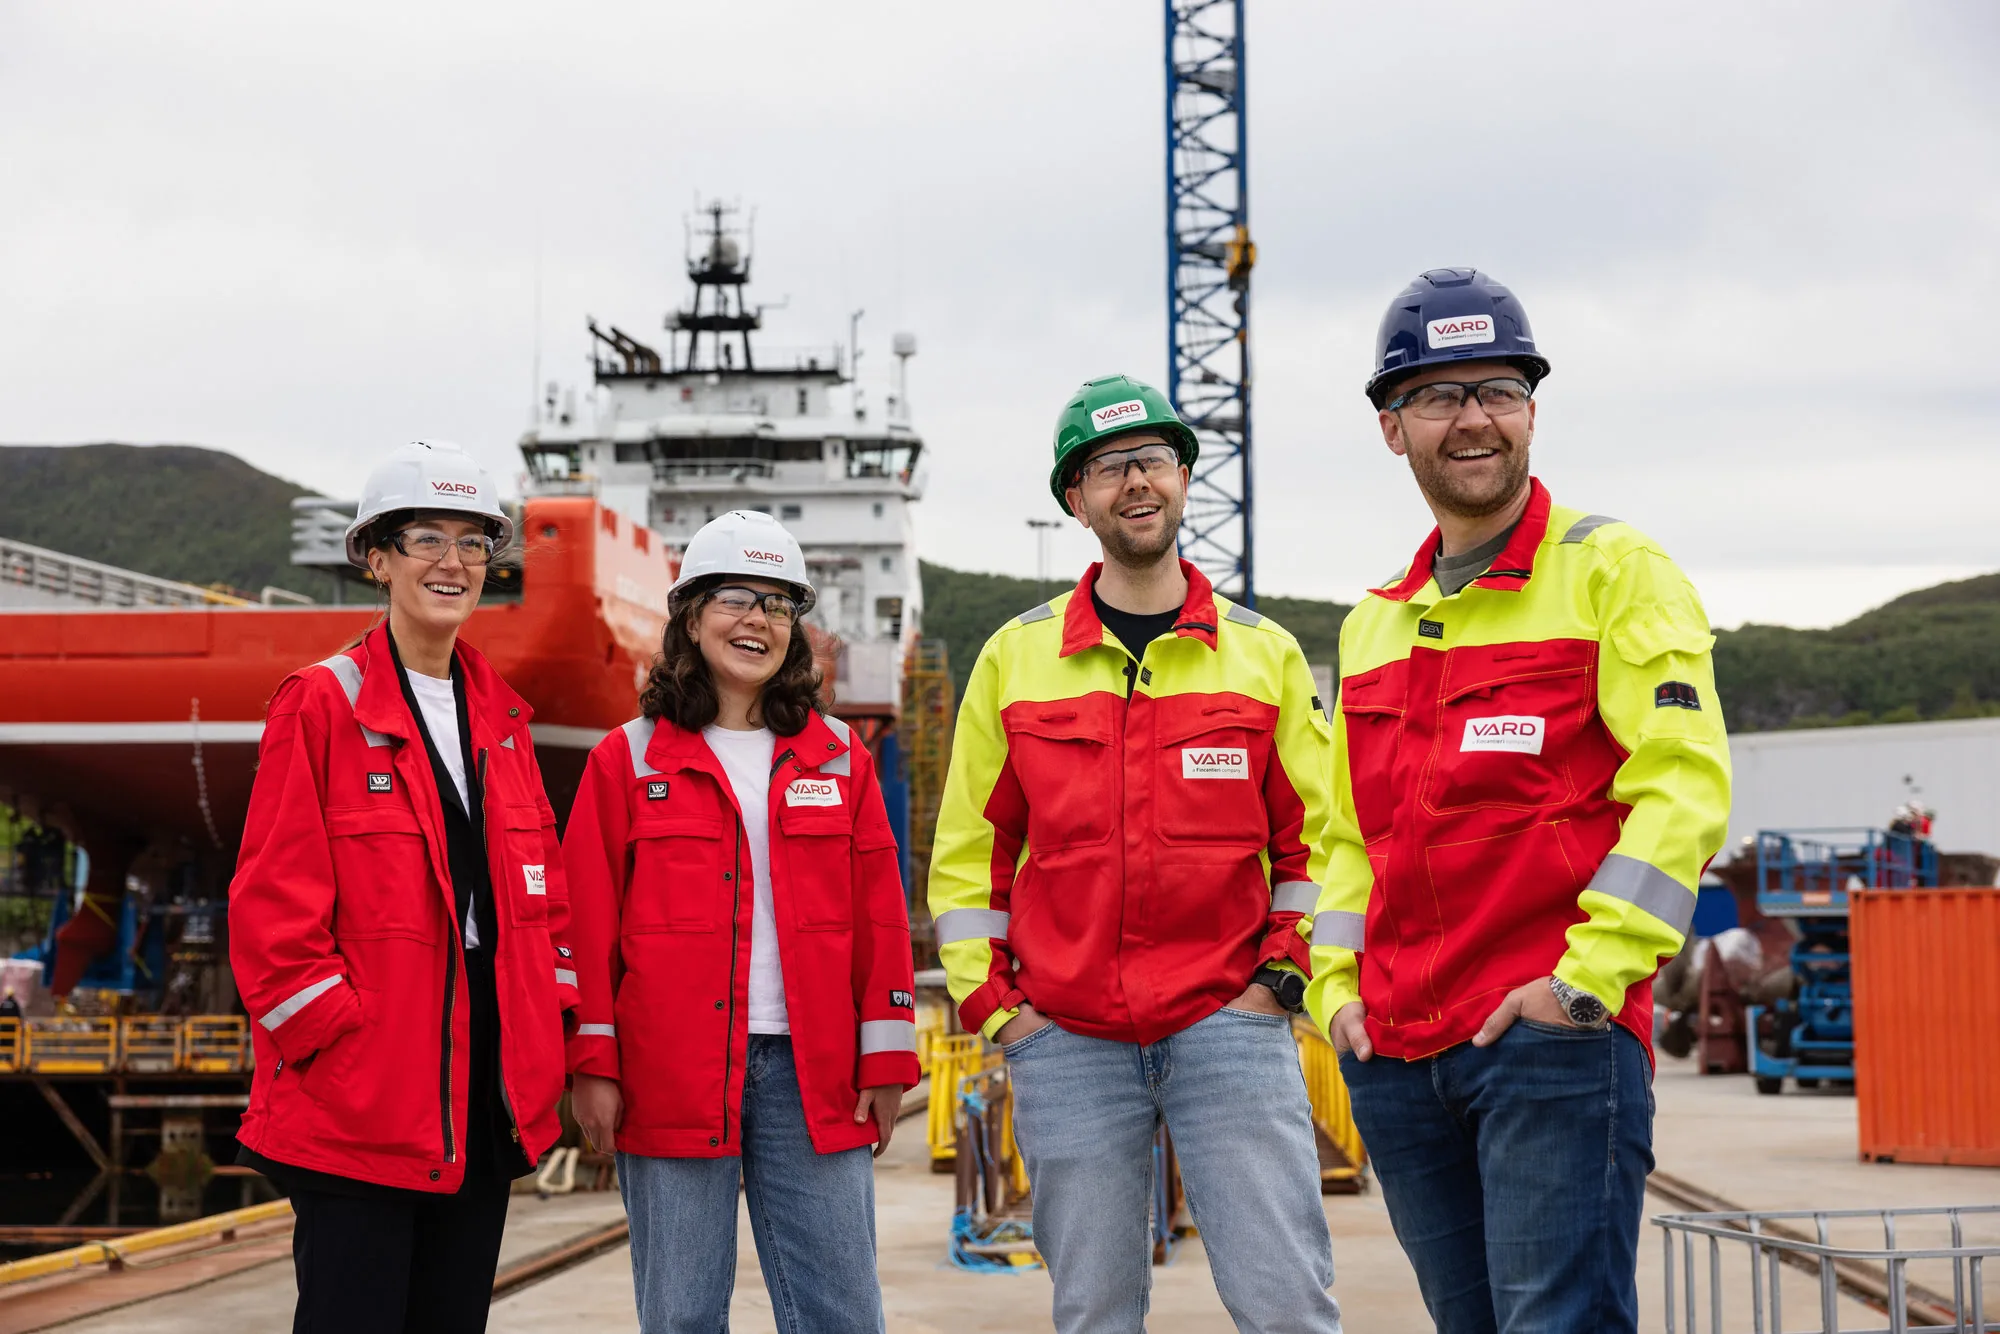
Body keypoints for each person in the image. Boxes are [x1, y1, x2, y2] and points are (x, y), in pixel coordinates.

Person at [1306, 269, 1732, 1334]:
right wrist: (1334, 992)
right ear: (1390, 428)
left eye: (1495, 389)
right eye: (1438, 397)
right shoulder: (1374, 625)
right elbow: (1351, 837)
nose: (1473, 419)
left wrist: (1581, 985)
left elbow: (1680, 785)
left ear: (1531, 410)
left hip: (1547, 1044)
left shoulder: (1611, 571)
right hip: (1397, 1053)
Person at [928, 375, 1344, 1334]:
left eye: (1153, 459)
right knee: (1096, 1314)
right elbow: (970, 860)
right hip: (1068, 1038)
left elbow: (1318, 841)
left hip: (1227, 1023)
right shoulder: (1014, 661)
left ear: (1187, 478)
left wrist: (1281, 978)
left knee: (1287, 1306)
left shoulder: (1262, 655)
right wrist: (998, 1009)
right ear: (1076, 500)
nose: (1136, 482)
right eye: (1109, 468)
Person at [230, 441, 576, 1334]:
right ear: (376, 558)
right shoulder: (320, 705)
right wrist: (339, 1049)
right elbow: (271, 915)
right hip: (359, 1109)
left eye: (472, 543)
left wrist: (548, 1033)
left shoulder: (503, 721)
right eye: (425, 538)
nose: (452, 563)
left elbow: (545, 907)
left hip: (479, 1107)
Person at [562, 510, 920, 1334]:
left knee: (842, 1315)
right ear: (690, 616)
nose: (756, 620)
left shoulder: (839, 756)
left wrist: (888, 1055)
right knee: (682, 1315)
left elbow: (881, 918)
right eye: (735, 598)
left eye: (778, 605)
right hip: (668, 1074)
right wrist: (593, 1062)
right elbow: (585, 925)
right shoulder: (629, 758)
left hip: (816, 1074)